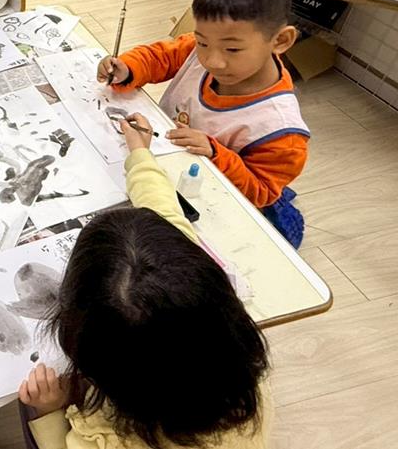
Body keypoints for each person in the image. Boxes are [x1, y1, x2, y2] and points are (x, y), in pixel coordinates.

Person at [19, 115, 271, 449]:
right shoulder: (230, 357)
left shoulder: (103, 441)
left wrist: (49, 411)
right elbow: (166, 215)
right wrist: (140, 154)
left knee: (29, 403)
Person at [97, 0, 309, 246]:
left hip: (208, 199)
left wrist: (215, 152)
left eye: (232, 49)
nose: (212, 60)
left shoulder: (281, 131)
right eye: (202, 42)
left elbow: (260, 192)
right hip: (162, 164)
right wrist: (128, 68)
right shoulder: (205, 47)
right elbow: (162, 56)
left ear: (281, 41)